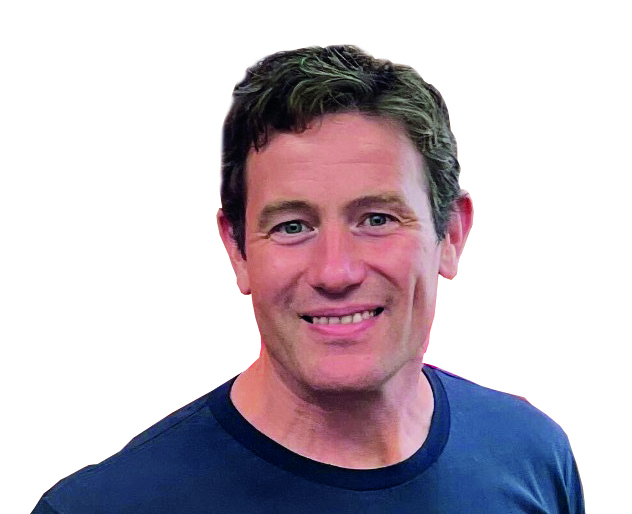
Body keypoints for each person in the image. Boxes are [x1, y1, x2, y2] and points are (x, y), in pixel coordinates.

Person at [31, 45, 584, 513]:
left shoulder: (532, 456)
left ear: (452, 235)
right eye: (292, 226)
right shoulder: (106, 506)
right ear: (237, 250)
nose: (335, 272)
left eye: (377, 219)